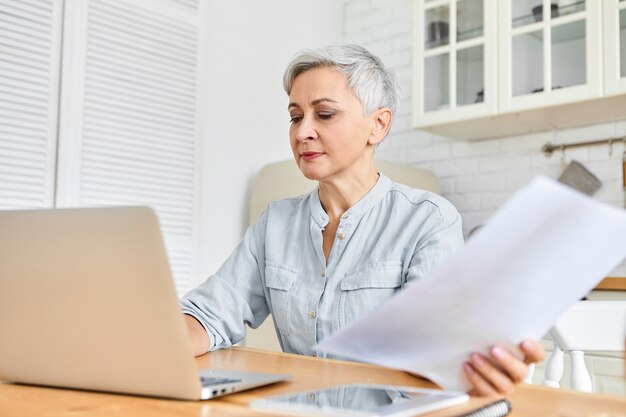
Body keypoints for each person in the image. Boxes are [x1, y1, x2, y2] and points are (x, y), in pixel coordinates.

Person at [180, 44, 543, 397]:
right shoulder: (275, 222)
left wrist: (468, 371)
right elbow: (209, 314)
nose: (302, 131)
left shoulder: (427, 220)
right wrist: (152, 339)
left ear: (378, 125)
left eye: (324, 114)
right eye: (295, 116)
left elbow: (434, 361)